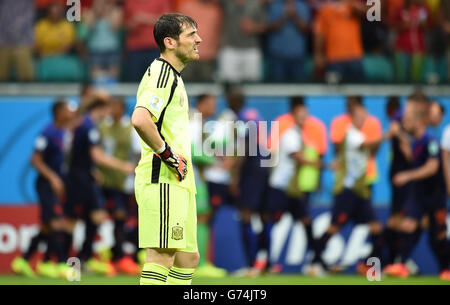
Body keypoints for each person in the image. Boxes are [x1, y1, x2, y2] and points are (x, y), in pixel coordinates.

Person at [131, 13, 202, 285]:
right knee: (162, 256)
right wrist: (168, 155)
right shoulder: (162, 74)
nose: (199, 39)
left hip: (179, 180)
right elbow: (140, 119)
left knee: (188, 258)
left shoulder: (173, 76)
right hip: (163, 178)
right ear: (170, 42)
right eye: (191, 35)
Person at [308, 103, 394, 276]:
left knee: (376, 228)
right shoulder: (352, 134)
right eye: (360, 117)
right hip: (347, 191)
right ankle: (315, 262)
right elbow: (366, 145)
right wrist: (387, 135)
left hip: (360, 192)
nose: (363, 120)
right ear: (352, 118)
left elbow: (370, 150)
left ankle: (369, 266)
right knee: (333, 228)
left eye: (365, 118)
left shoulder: (359, 134)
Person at [64, 96, 135, 275]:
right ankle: (74, 261)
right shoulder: (90, 126)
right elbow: (97, 156)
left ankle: (79, 260)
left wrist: (91, 169)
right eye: (108, 108)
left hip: (82, 177)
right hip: (81, 180)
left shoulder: (84, 123)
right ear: (102, 108)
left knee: (91, 217)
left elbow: (79, 154)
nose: (109, 112)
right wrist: (123, 166)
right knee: (84, 219)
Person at [384, 99, 450, 281]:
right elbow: (415, 158)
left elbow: (432, 168)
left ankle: (446, 268)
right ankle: (401, 264)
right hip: (419, 194)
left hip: (435, 194)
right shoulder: (416, 142)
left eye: (410, 120)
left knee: (438, 234)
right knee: (408, 225)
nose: (406, 123)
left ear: (419, 122)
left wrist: (407, 175)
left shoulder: (431, 141)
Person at [11, 100, 74, 278]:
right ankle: (62, 264)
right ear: (59, 112)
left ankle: (23, 260)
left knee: (47, 227)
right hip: (45, 184)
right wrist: (53, 178)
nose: (70, 112)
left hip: (56, 184)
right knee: (56, 223)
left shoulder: (64, 132)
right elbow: (35, 160)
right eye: (67, 109)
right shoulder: (48, 132)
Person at [97, 97, 141, 275]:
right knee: (97, 217)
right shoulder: (101, 126)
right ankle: (102, 258)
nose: (112, 109)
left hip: (123, 181)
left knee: (121, 217)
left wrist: (137, 175)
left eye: (115, 105)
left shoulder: (130, 128)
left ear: (122, 108)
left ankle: (122, 257)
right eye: (110, 105)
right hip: (102, 180)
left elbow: (138, 154)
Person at [189, 93, 228, 278]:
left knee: (198, 218)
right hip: (192, 177)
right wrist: (213, 160)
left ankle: (194, 262)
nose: (214, 107)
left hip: (193, 177)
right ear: (202, 104)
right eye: (211, 103)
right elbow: (188, 149)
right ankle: (199, 264)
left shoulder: (200, 123)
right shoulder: (194, 121)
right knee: (201, 217)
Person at [313, 0, 367, 82]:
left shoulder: (351, 5)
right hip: (333, 59)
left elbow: (368, 14)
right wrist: (319, 55)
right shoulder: (325, 9)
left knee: (357, 89)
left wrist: (350, 4)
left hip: (354, 57)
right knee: (333, 91)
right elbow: (320, 34)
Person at [123, 0, 171, 82]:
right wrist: (132, 24)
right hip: (135, 49)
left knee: (157, 81)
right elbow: (124, 25)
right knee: (135, 82)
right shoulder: (130, 2)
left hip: (156, 47)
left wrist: (143, 18)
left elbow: (168, 21)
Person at [266, 0, 311, 82]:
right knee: (277, 88)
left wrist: (294, 16)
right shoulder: (274, 6)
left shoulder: (303, 6)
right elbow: (271, 28)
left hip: (298, 55)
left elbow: (305, 30)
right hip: (278, 55)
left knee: (299, 89)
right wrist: (285, 16)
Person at [0, 0, 35, 81]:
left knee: (27, 79)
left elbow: (30, 18)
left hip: (23, 43)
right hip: (3, 42)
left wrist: (31, 40)